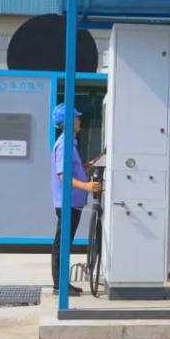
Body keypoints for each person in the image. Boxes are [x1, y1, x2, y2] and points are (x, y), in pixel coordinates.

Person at [50, 103, 101, 296]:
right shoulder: (64, 144)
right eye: (76, 118)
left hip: (72, 203)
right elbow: (63, 176)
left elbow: (71, 170)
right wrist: (87, 186)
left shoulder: (70, 143)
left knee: (64, 243)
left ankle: (62, 283)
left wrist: (87, 166)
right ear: (68, 122)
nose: (79, 121)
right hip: (68, 203)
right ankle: (59, 285)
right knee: (62, 244)